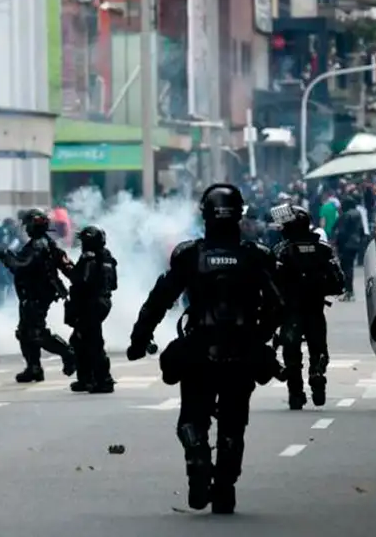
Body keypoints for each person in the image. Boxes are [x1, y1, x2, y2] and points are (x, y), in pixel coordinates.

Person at [126, 183, 285, 514]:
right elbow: (278, 305)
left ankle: (197, 457)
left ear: (206, 216)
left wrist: (139, 339)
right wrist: (259, 337)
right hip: (241, 349)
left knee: (192, 417)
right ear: (239, 215)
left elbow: (159, 300)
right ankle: (224, 488)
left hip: (200, 348)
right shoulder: (255, 256)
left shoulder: (190, 255)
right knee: (233, 424)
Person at [271, 204, 345, 409]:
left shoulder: (281, 251)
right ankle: (317, 373)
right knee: (318, 347)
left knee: (291, 352)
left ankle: (296, 393)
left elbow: (270, 282)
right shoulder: (323, 249)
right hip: (315, 308)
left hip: (291, 310)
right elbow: (339, 281)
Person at [0, 209, 77, 383]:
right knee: (25, 333)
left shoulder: (38, 245)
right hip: (32, 295)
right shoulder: (46, 243)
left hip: (37, 295)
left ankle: (68, 353)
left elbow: (21, 266)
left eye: (28, 225)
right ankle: (33, 368)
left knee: (36, 332)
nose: (26, 229)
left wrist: (5, 257)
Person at [65, 225, 117, 394]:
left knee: (92, 342)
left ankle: (104, 380)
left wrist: (70, 269)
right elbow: (114, 284)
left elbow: (82, 281)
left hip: (91, 304)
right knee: (79, 340)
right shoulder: (107, 256)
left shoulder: (90, 258)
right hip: (101, 301)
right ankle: (86, 379)